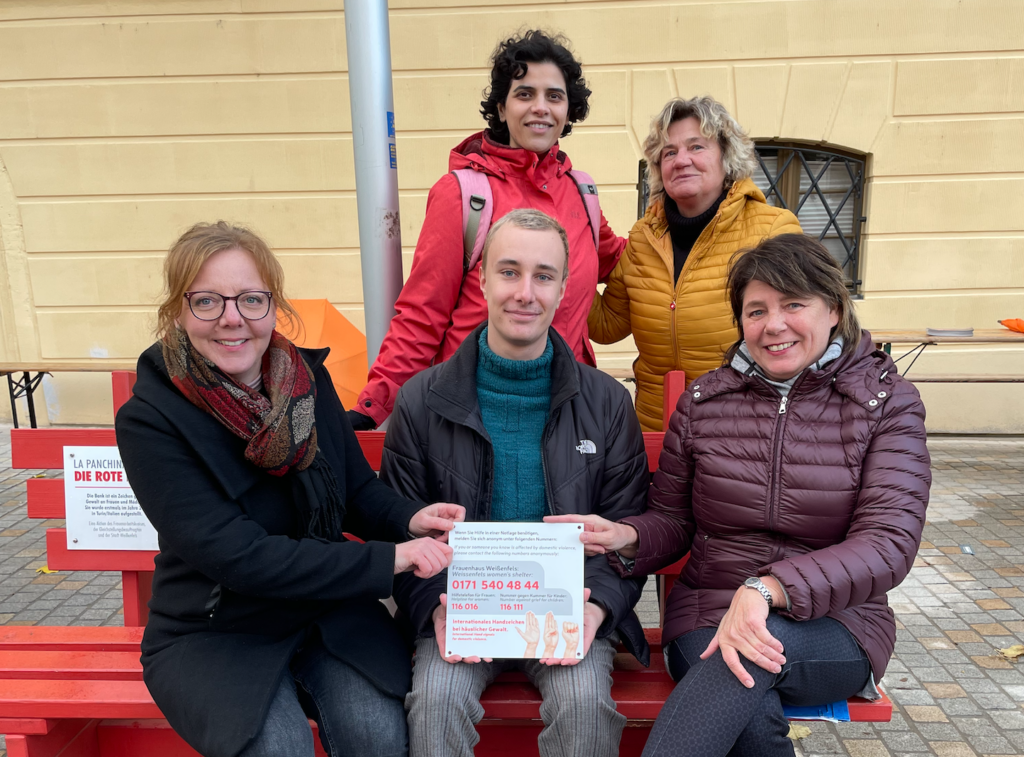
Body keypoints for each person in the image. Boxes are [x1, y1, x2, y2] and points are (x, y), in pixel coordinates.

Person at [549, 234, 931, 756]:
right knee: (747, 708)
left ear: (835, 309)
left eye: (793, 304)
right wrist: (627, 535)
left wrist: (766, 590)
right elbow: (673, 520)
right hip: (709, 610)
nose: (773, 325)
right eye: (756, 310)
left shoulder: (885, 404)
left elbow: (887, 543)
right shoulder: (707, 402)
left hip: (838, 622)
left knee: (745, 660)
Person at [115, 221, 466, 757]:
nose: (232, 319)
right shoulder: (151, 418)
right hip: (217, 627)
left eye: (251, 300)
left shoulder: (304, 379)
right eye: (207, 301)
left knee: (377, 734)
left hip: (324, 608)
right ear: (179, 312)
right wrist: (390, 558)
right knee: (277, 748)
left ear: (273, 306)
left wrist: (410, 521)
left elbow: (354, 493)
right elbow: (240, 557)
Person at [379, 209, 649, 757]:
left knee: (584, 707)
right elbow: (402, 529)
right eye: (509, 272)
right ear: (480, 280)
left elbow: (626, 531)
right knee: (433, 702)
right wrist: (434, 605)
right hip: (461, 606)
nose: (525, 292)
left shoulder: (606, 403)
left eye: (543, 275)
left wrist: (596, 611)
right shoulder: (421, 400)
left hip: (568, 604)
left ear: (563, 289)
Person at [348, 30, 626, 431]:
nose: (540, 108)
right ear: (501, 106)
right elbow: (422, 314)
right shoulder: (462, 194)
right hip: (473, 410)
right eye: (524, 93)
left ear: (569, 109)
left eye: (554, 95)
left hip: (564, 408)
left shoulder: (581, 194)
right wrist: (374, 404)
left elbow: (624, 260)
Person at [587, 95, 802, 431]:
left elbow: (802, 329)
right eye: (669, 152)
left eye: (696, 147)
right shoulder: (643, 238)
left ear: (726, 157)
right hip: (656, 433)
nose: (681, 160)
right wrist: (567, 267)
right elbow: (608, 325)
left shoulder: (771, 229)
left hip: (740, 434)